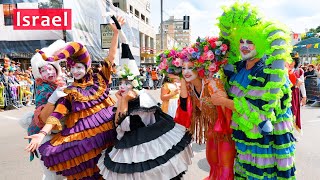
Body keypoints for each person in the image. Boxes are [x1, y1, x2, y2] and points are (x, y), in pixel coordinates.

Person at [24, 16, 125, 179]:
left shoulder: (100, 79)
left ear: (86, 66)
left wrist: (115, 34)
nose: (75, 71)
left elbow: (111, 57)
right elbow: (57, 114)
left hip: (109, 137)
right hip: (88, 145)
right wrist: (42, 134)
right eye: (72, 68)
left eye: (79, 67)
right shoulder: (69, 91)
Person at [216, 2, 296, 179]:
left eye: (250, 42)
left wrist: (223, 101)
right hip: (243, 137)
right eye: (241, 41)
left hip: (264, 141)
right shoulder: (238, 69)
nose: (244, 45)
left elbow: (257, 109)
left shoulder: (268, 71)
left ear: (260, 44)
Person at [97, 68, 193, 180]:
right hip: (130, 144)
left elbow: (124, 126)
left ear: (135, 84)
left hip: (145, 145)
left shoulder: (142, 101)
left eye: (127, 83)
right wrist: (122, 100)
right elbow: (118, 123)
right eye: (120, 83)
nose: (122, 87)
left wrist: (123, 101)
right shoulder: (125, 98)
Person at [167, 37, 235, 180]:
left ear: (199, 69)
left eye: (190, 68)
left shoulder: (212, 83)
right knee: (213, 161)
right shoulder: (190, 87)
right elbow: (185, 107)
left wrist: (220, 99)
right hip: (211, 130)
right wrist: (183, 82)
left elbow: (226, 108)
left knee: (225, 165)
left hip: (226, 131)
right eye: (183, 68)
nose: (186, 71)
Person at [19, 40, 67, 180]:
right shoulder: (44, 88)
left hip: (59, 132)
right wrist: (53, 99)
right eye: (43, 70)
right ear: (40, 74)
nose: (48, 72)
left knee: (60, 172)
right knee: (53, 174)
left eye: (50, 68)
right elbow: (43, 116)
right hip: (46, 133)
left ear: (56, 69)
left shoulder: (59, 84)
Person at [288, 52, 306, 133]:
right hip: (284, 94)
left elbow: (302, 85)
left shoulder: (299, 71)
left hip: (294, 94)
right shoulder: (284, 70)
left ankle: (291, 132)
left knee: (293, 112)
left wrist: (304, 96)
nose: (290, 63)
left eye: (293, 61)